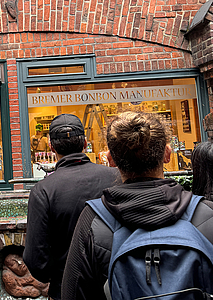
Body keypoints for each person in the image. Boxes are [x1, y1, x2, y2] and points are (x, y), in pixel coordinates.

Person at [62, 112, 213, 299]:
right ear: (167, 154)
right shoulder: (206, 214)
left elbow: (72, 293)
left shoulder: (93, 220)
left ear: (110, 160)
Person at [22, 114, 120, 300]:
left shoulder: (43, 190)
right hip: (115, 285)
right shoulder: (116, 177)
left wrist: (56, 277)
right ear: (85, 144)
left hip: (66, 289)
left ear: (51, 147)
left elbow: (36, 259)